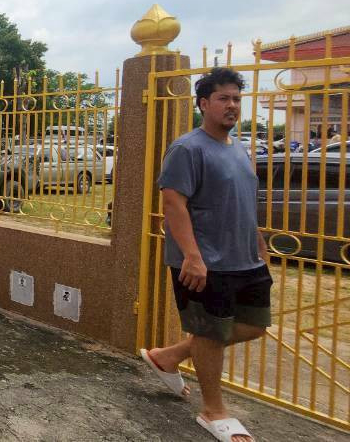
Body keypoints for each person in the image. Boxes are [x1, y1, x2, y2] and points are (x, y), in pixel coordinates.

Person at [142, 68, 269, 442]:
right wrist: (192, 256)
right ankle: (213, 410)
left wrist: (258, 242)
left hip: (245, 257)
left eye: (236, 99)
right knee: (209, 332)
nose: (231, 106)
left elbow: (242, 201)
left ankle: (169, 356)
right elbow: (173, 202)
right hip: (204, 260)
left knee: (255, 325)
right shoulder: (188, 148)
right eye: (223, 99)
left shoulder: (238, 148)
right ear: (203, 104)